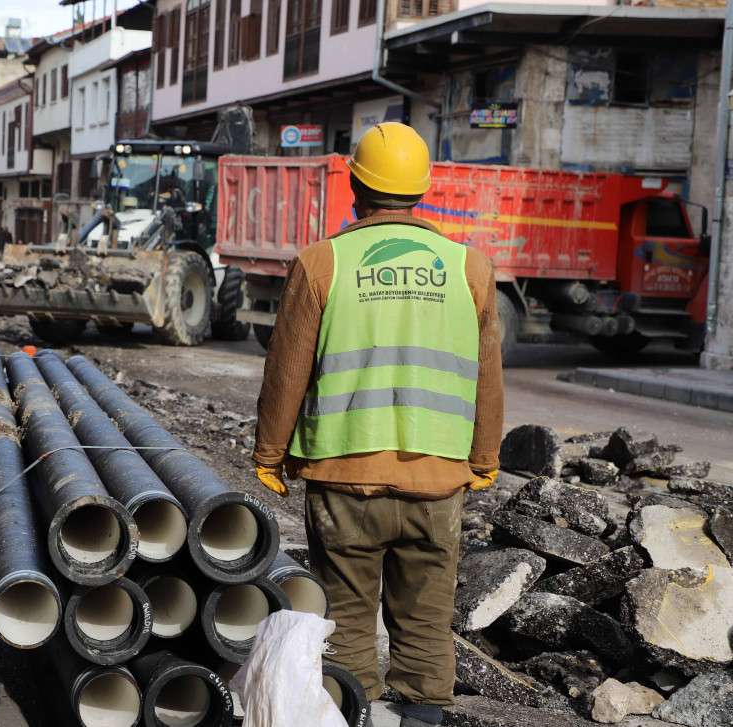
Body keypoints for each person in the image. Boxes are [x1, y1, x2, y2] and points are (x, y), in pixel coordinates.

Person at [251, 123, 503, 726]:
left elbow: (287, 370)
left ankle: (353, 714)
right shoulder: (469, 266)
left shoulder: (321, 264)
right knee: (425, 621)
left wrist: (269, 454)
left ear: (355, 185)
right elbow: (487, 376)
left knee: (345, 620)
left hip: (343, 480)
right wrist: (485, 458)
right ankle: (419, 718)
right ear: (422, 188)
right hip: (439, 482)